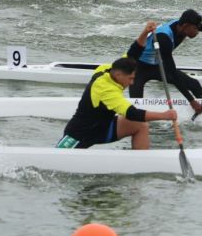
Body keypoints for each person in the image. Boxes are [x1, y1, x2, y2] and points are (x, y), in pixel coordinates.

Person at [56, 22, 177, 150]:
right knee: (59, 158)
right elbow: (132, 113)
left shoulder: (108, 69)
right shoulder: (106, 89)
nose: (132, 83)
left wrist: (145, 32)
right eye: (130, 79)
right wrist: (164, 116)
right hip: (81, 134)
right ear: (119, 75)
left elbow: (133, 53)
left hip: (103, 128)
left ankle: (140, 160)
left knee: (140, 125)